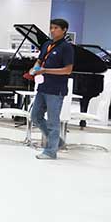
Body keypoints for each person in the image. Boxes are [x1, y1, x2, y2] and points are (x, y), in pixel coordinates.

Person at [30, 18, 75, 160]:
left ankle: (50, 151)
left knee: (52, 121)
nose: (52, 30)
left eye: (56, 28)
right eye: (51, 27)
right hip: (43, 87)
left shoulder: (66, 48)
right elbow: (40, 60)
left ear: (64, 30)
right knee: (35, 116)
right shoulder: (47, 44)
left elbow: (68, 70)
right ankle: (57, 142)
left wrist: (45, 70)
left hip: (56, 89)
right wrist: (34, 69)